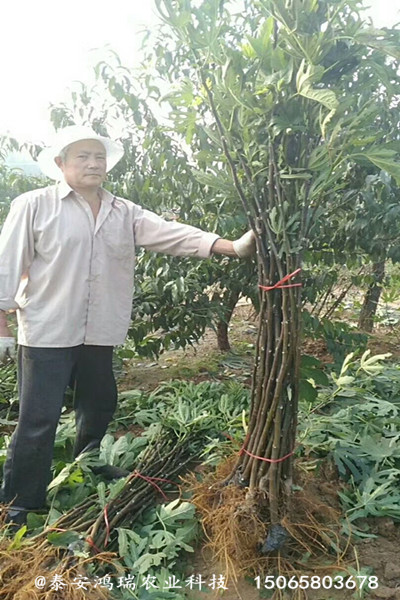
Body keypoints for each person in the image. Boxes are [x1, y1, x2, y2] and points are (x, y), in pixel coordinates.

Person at [0, 125, 255, 527]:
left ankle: (89, 462)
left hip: (99, 329)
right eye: (82, 156)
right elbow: (7, 264)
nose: (92, 163)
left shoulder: (124, 211)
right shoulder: (34, 205)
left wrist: (231, 246)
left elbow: (171, 234)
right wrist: (2, 322)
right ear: (60, 163)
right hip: (49, 329)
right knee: (39, 417)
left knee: (98, 404)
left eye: (98, 157)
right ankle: (21, 501)